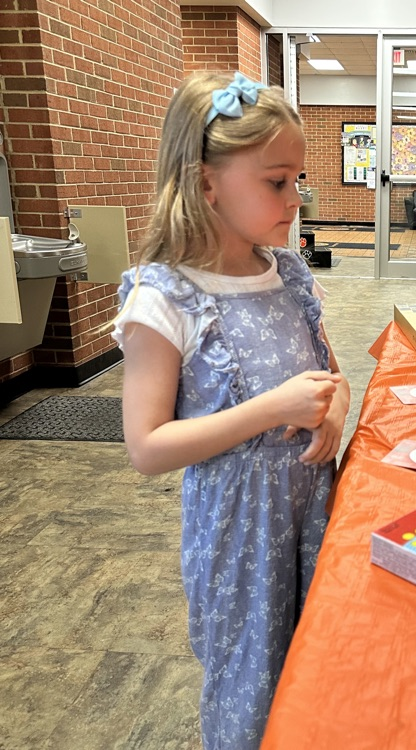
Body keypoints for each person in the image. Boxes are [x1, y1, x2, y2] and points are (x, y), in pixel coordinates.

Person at [113, 71, 350, 749]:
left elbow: (332, 374)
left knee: (313, 662)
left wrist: (332, 409)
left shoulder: (290, 275)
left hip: (312, 512)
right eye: (277, 181)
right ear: (205, 182)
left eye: (297, 180)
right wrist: (271, 408)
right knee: (251, 674)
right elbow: (147, 446)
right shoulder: (163, 300)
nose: (295, 199)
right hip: (240, 536)